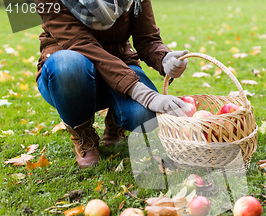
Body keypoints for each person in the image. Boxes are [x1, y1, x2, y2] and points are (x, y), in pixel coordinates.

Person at [35, 0, 191, 168]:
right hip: (68, 72)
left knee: (143, 116)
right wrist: (143, 94)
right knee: (69, 64)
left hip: (121, 62)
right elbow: (81, 44)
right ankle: (83, 134)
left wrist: (165, 59)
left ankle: (115, 121)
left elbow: (147, 39)